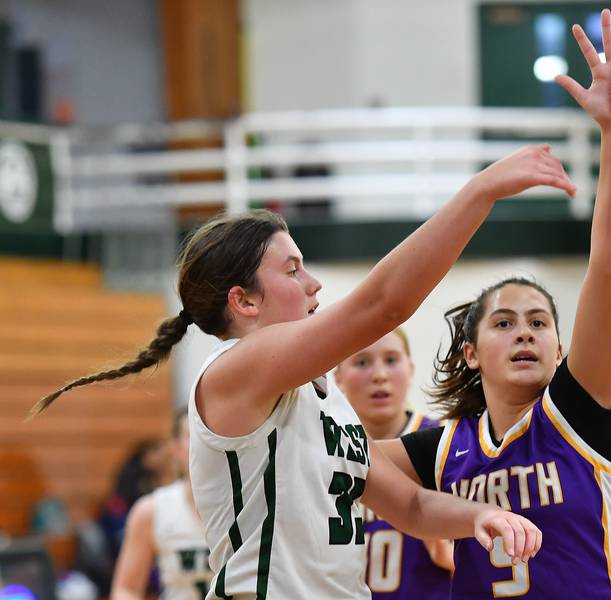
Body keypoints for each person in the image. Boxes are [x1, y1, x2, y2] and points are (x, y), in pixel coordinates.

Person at [32, 121, 577, 595]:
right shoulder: (235, 370)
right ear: (244, 301)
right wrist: (481, 190)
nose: (313, 283)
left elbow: (411, 508)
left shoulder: (326, 398)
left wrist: (483, 514)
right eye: (292, 270)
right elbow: (383, 304)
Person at [378, 9, 611, 597]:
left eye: (539, 323)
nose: (525, 333)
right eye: (504, 322)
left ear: (559, 346)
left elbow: (610, 269)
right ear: (470, 352)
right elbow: (336, 460)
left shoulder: (575, 413)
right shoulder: (445, 450)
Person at [335, 328, 453, 598]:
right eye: (362, 362)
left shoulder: (446, 444)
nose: (379, 375)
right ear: (337, 377)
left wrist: (451, 556)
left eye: (391, 360)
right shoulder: (321, 449)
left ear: (410, 370)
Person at [111, 410, 212, 599]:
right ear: (174, 448)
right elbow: (126, 589)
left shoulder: (255, 505)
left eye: (211, 433)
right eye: (193, 435)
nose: (203, 442)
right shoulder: (151, 510)